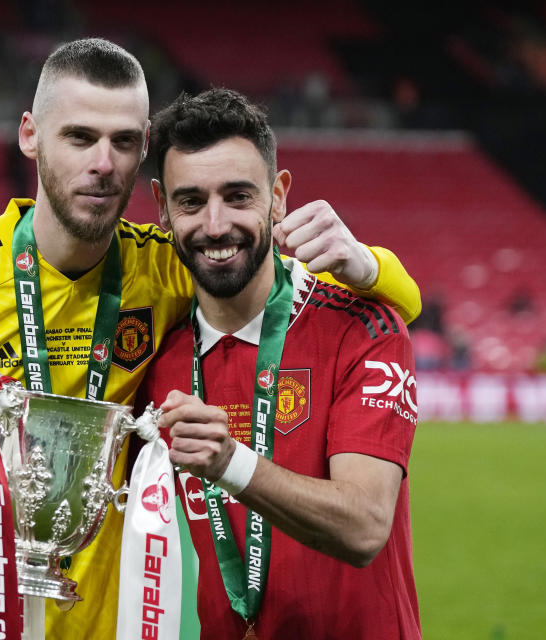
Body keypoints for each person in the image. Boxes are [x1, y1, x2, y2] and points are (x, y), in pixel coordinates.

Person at [0, 39, 421, 640]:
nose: (103, 162)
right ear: (30, 135)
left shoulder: (168, 267)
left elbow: (391, 305)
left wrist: (369, 265)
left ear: (143, 148)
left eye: (124, 141)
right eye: (79, 137)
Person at [139, 88, 421, 639]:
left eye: (238, 196)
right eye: (191, 201)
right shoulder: (154, 353)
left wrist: (229, 464)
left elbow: (364, 526)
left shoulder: (361, 329)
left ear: (278, 196)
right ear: (161, 206)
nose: (215, 226)